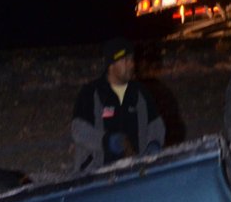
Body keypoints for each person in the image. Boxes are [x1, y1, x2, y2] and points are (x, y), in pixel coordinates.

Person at [71, 37, 166, 172]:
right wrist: (107, 141)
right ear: (111, 64)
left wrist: (154, 144)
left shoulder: (140, 93)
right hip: (96, 174)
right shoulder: (92, 93)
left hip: (133, 172)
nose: (131, 65)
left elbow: (156, 125)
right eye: (125, 60)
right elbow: (79, 131)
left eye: (132, 60)